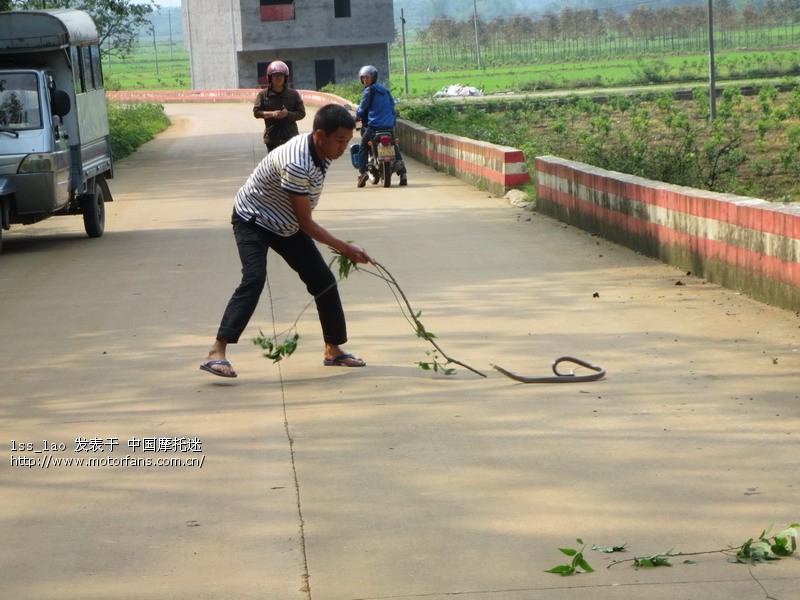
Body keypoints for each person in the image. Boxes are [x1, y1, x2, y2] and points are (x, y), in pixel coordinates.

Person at [200, 104, 372, 378]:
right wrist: (346, 248)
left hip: (286, 223)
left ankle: (333, 349)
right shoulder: (297, 161)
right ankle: (217, 351)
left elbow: (300, 217)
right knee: (254, 278)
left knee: (323, 281)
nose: (343, 148)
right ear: (319, 135)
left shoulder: (323, 151)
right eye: (339, 141)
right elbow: (306, 221)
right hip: (253, 219)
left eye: (347, 141)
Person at [354, 65, 408, 187]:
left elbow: (362, 107)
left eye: (367, 78)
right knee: (394, 145)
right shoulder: (385, 90)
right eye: (363, 78)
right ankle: (403, 173)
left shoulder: (369, 91)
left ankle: (362, 173)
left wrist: (356, 116)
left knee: (362, 145)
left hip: (375, 126)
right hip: (389, 126)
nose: (365, 80)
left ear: (373, 77)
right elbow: (392, 104)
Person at [253, 60, 306, 152]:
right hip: (272, 138)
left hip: (290, 137)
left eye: (281, 75)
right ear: (270, 77)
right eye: (275, 75)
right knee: (274, 165)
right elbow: (256, 112)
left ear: (285, 77)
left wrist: (288, 114)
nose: (278, 78)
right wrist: (272, 114)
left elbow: (301, 113)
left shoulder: (293, 94)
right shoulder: (263, 95)